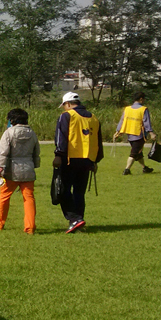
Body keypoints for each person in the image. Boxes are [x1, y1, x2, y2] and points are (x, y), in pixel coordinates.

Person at [54, 91, 103, 233]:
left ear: (68, 104)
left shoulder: (67, 116)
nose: (64, 108)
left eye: (64, 105)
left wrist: (58, 155)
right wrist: (95, 161)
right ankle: (79, 221)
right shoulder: (94, 118)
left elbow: (61, 138)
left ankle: (74, 219)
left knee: (62, 190)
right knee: (79, 193)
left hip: (69, 159)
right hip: (87, 160)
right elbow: (98, 141)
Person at [0, 108, 40, 234]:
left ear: (12, 120)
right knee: (29, 198)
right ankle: (30, 227)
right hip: (28, 169)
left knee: (4, 196)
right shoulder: (32, 133)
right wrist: (34, 165)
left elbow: (3, 152)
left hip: (11, 170)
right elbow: (36, 152)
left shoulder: (9, 133)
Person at [113, 92, 156, 175]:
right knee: (134, 153)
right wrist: (151, 133)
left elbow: (122, 121)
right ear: (141, 99)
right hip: (139, 134)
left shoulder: (127, 109)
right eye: (143, 99)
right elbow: (146, 122)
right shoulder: (143, 109)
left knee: (138, 152)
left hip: (129, 134)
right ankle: (127, 169)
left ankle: (145, 168)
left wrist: (118, 131)